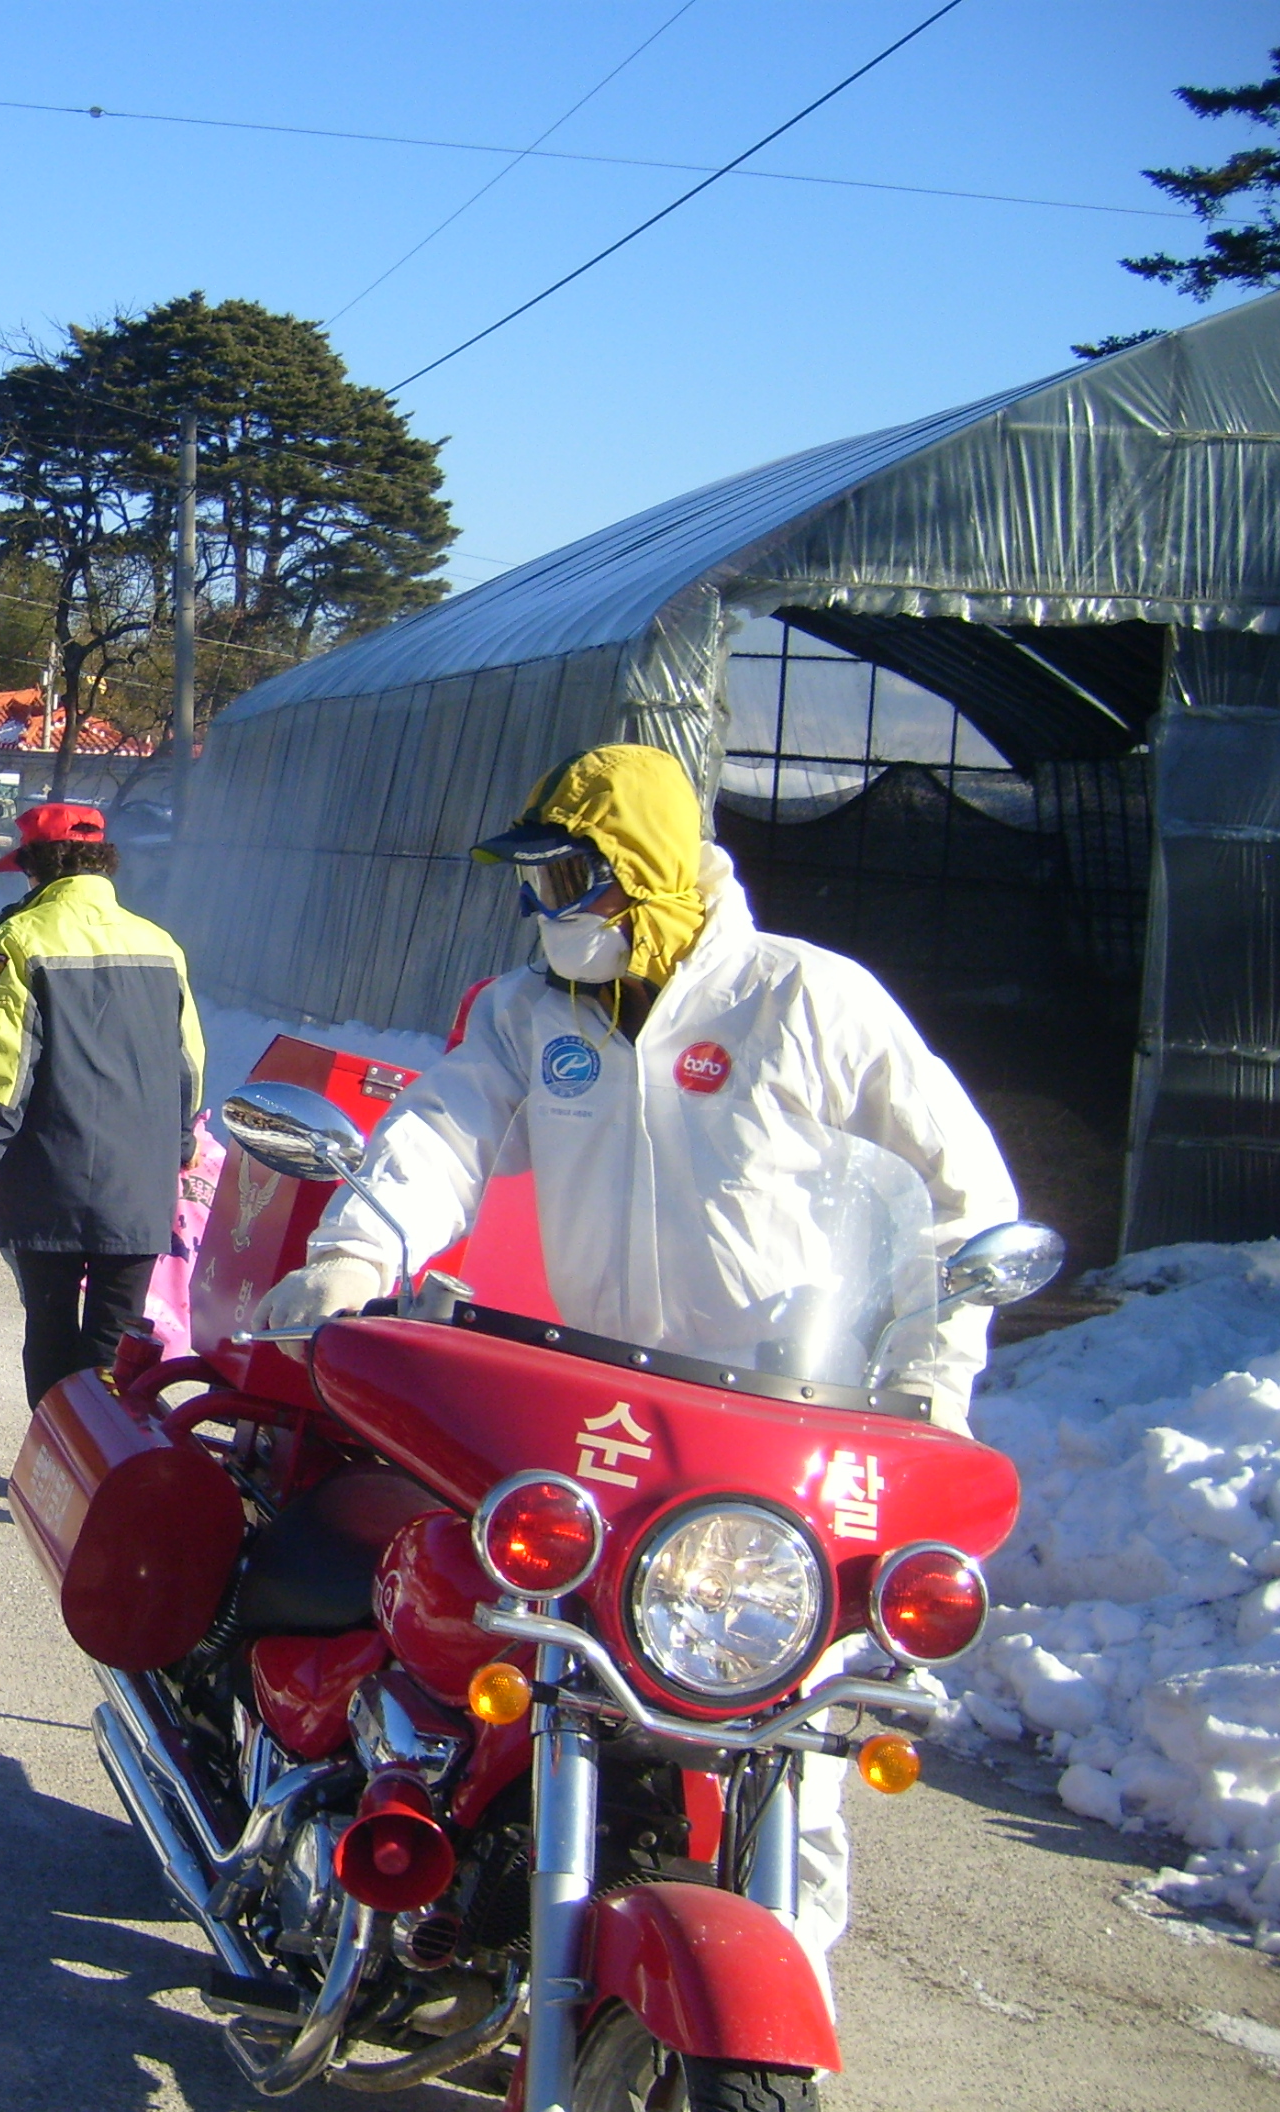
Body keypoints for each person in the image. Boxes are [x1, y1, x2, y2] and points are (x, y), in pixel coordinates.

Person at [255, 740, 1018, 1982]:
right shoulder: (528, 1014)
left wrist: (931, 1373)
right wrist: (353, 1253)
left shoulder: (803, 1000)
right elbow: (440, 1134)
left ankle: (774, 1988)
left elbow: (958, 1198)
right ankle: (485, 1915)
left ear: (645, 872)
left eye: (568, 881)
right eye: (532, 884)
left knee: (789, 1744)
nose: (541, 910)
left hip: (779, 1432)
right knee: (550, 1682)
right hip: (597, 1417)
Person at [0, 803, 205, 1408]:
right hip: (141, 1176)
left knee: (50, 1325)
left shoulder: (18, 938)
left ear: (34, 867)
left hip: (50, 1170)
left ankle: (55, 1442)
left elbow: (4, 1060)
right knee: (116, 1338)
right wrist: (181, 1142)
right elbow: (188, 1060)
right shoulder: (161, 944)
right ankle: (106, 1452)